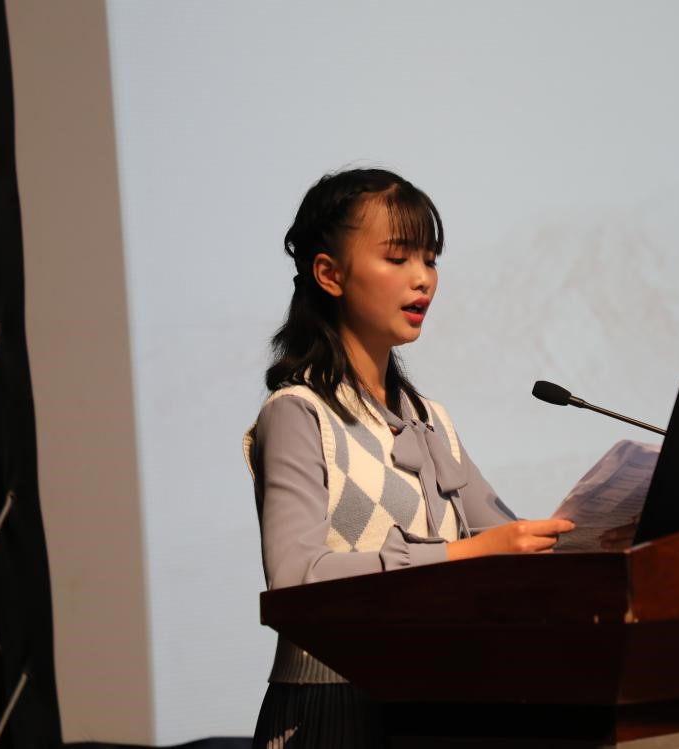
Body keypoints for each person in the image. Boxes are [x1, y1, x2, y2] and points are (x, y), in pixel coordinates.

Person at [243, 168, 575, 748]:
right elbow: (296, 579)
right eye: (398, 258)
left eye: (431, 259)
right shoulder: (299, 412)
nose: (423, 279)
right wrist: (463, 553)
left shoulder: (429, 419)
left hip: (434, 707)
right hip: (328, 712)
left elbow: (511, 539)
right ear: (329, 274)